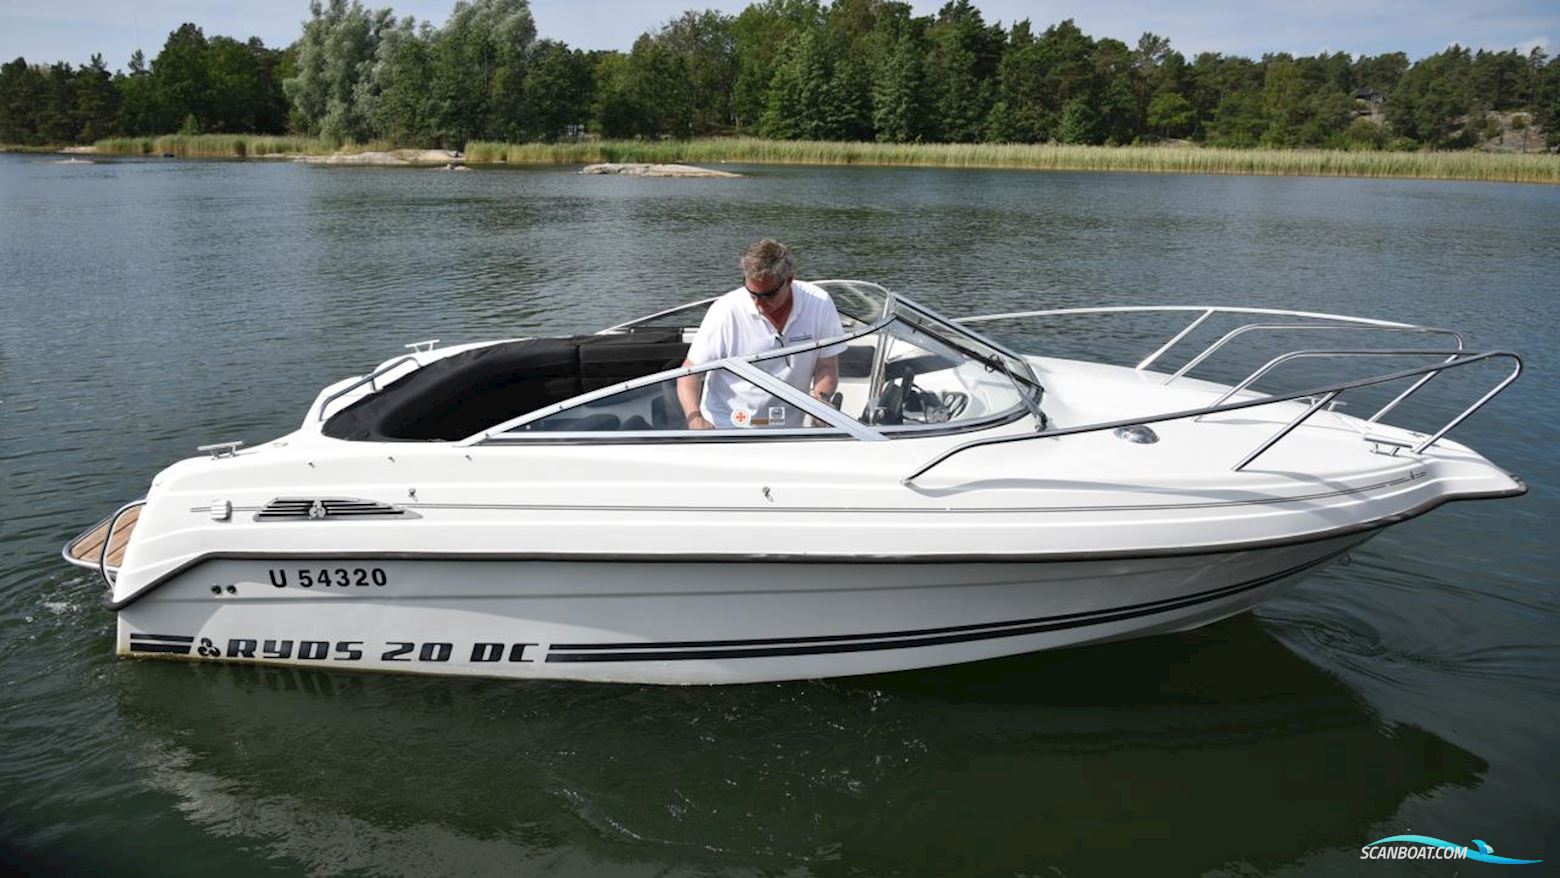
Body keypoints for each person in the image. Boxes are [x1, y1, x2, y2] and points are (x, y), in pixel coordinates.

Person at [678, 240, 846, 429]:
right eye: (752, 294)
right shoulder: (725, 311)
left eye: (767, 296)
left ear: (789, 280)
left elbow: (827, 366)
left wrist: (821, 401)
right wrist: (695, 420)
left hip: (788, 429)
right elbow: (688, 374)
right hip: (727, 427)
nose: (758, 303)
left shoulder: (819, 303)